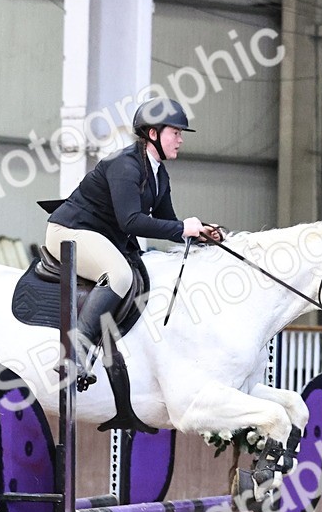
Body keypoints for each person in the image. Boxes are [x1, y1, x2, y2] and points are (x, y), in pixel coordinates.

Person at [45, 97, 222, 383]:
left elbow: (168, 222)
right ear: (153, 133)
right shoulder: (124, 165)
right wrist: (183, 228)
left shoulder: (158, 174)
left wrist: (200, 232)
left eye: (180, 134)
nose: (180, 140)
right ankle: (74, 352)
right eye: (175, 133)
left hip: (101, 236)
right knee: (118, 275)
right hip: (71, 231)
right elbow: (131, 221)